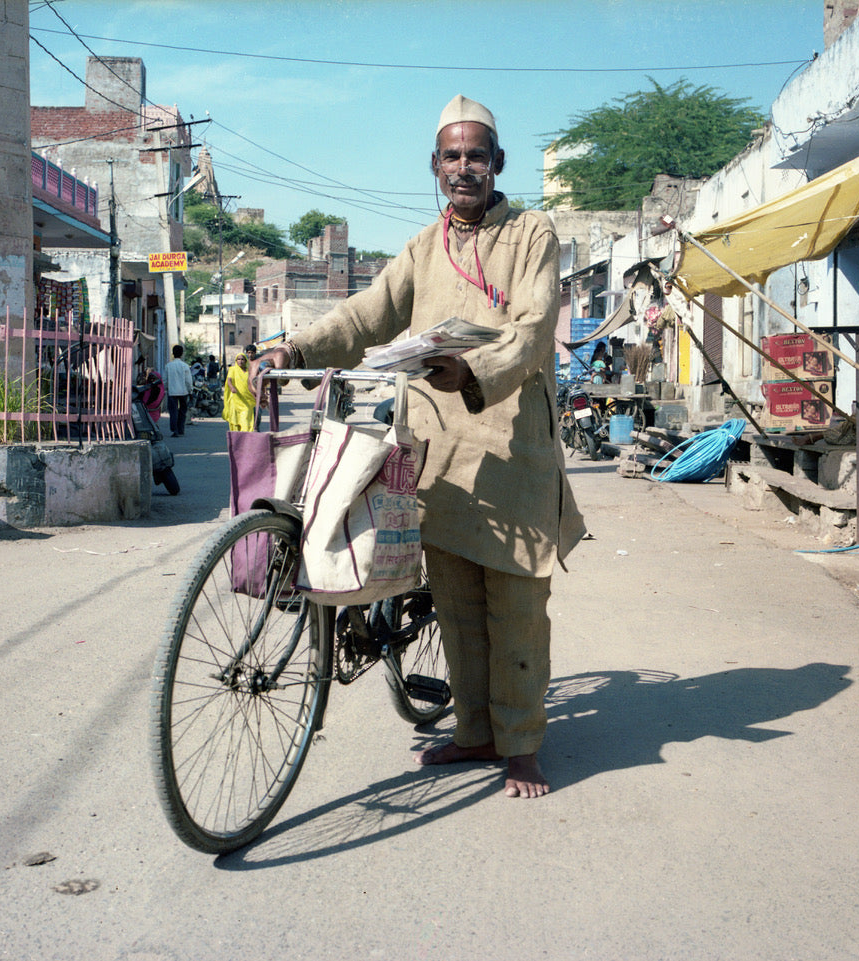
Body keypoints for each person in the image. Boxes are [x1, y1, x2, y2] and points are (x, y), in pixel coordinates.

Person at [261, 94, 586, 799]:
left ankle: (523, 745)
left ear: (497, 163)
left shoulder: (533, 234)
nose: (463, 167)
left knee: (516, 607)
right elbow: (366, 313)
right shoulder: (422, 245)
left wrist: (475, 368)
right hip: (437, 453)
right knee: (460, 606)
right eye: (451, 156)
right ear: (434, 166)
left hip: (512, 448)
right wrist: (294, 343)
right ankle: (475, 730)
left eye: (476, 155)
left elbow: (531, 331)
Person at [163, 344, 193, 437]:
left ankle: (174, 430)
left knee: (173, 411)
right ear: (182, 354)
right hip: (183, 391)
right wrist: (190, 390)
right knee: (182, 411)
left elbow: (165, 380)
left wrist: (166, 389)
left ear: (173, 354)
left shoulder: (168, 366)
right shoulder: (185, 366)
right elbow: (188, 380)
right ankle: (181, 429)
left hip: (172, 392)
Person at [222, 352, 257, 431]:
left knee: (246, 420)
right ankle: (237, 440)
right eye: (239, 359)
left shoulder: (250, 371)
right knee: (235, 421)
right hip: (235, 399)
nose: (240, 361)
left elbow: (254, 382)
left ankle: (245, 438)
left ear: (246, 361)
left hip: (247, 400)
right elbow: (229, 380)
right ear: (236, 360)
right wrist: (232, 388)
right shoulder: (232, 369)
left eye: (242, 359)